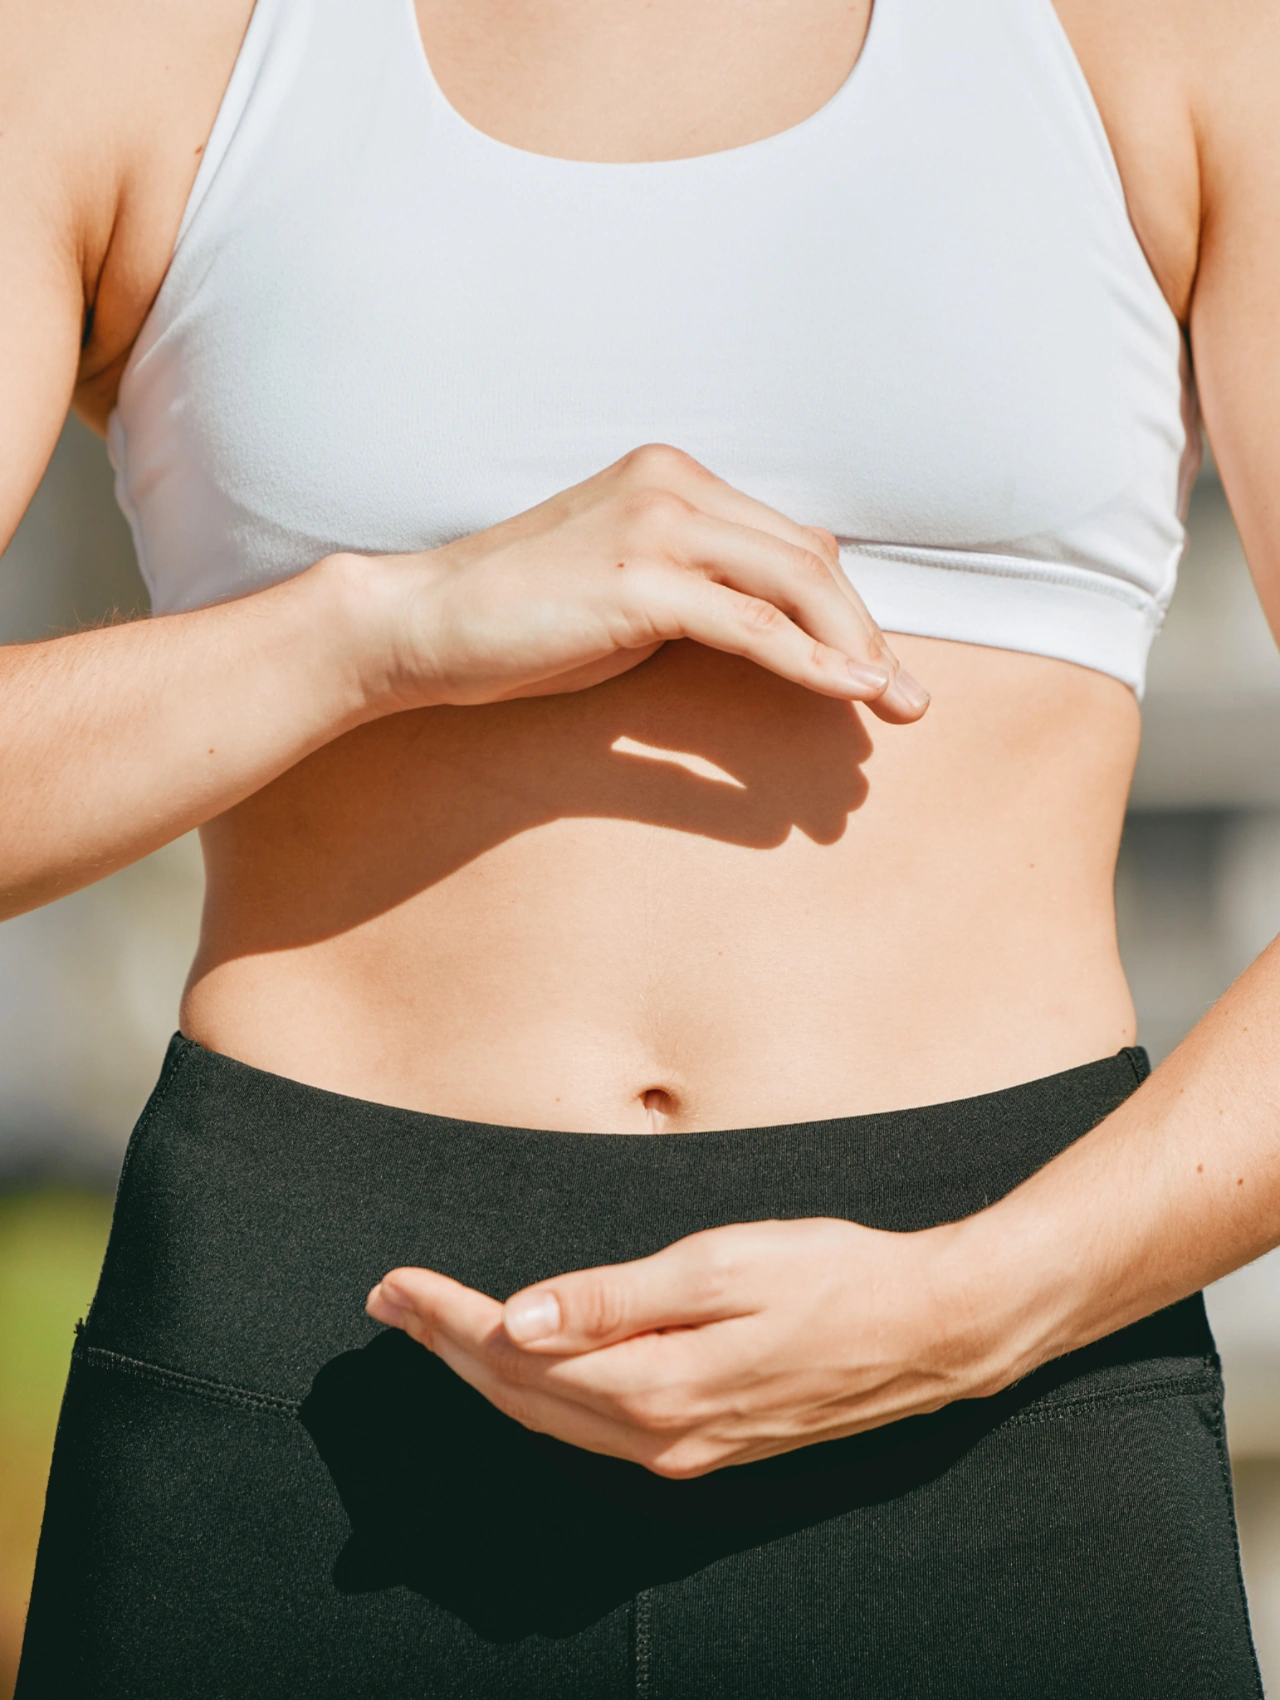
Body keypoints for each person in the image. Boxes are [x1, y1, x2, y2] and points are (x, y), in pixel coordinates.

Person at [4, 0, 1278, 1692]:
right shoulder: (122, 45)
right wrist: (373, 630)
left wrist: (984, 1305)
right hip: (311, 1375)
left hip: (1010, 1399)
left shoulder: (1179, 41)